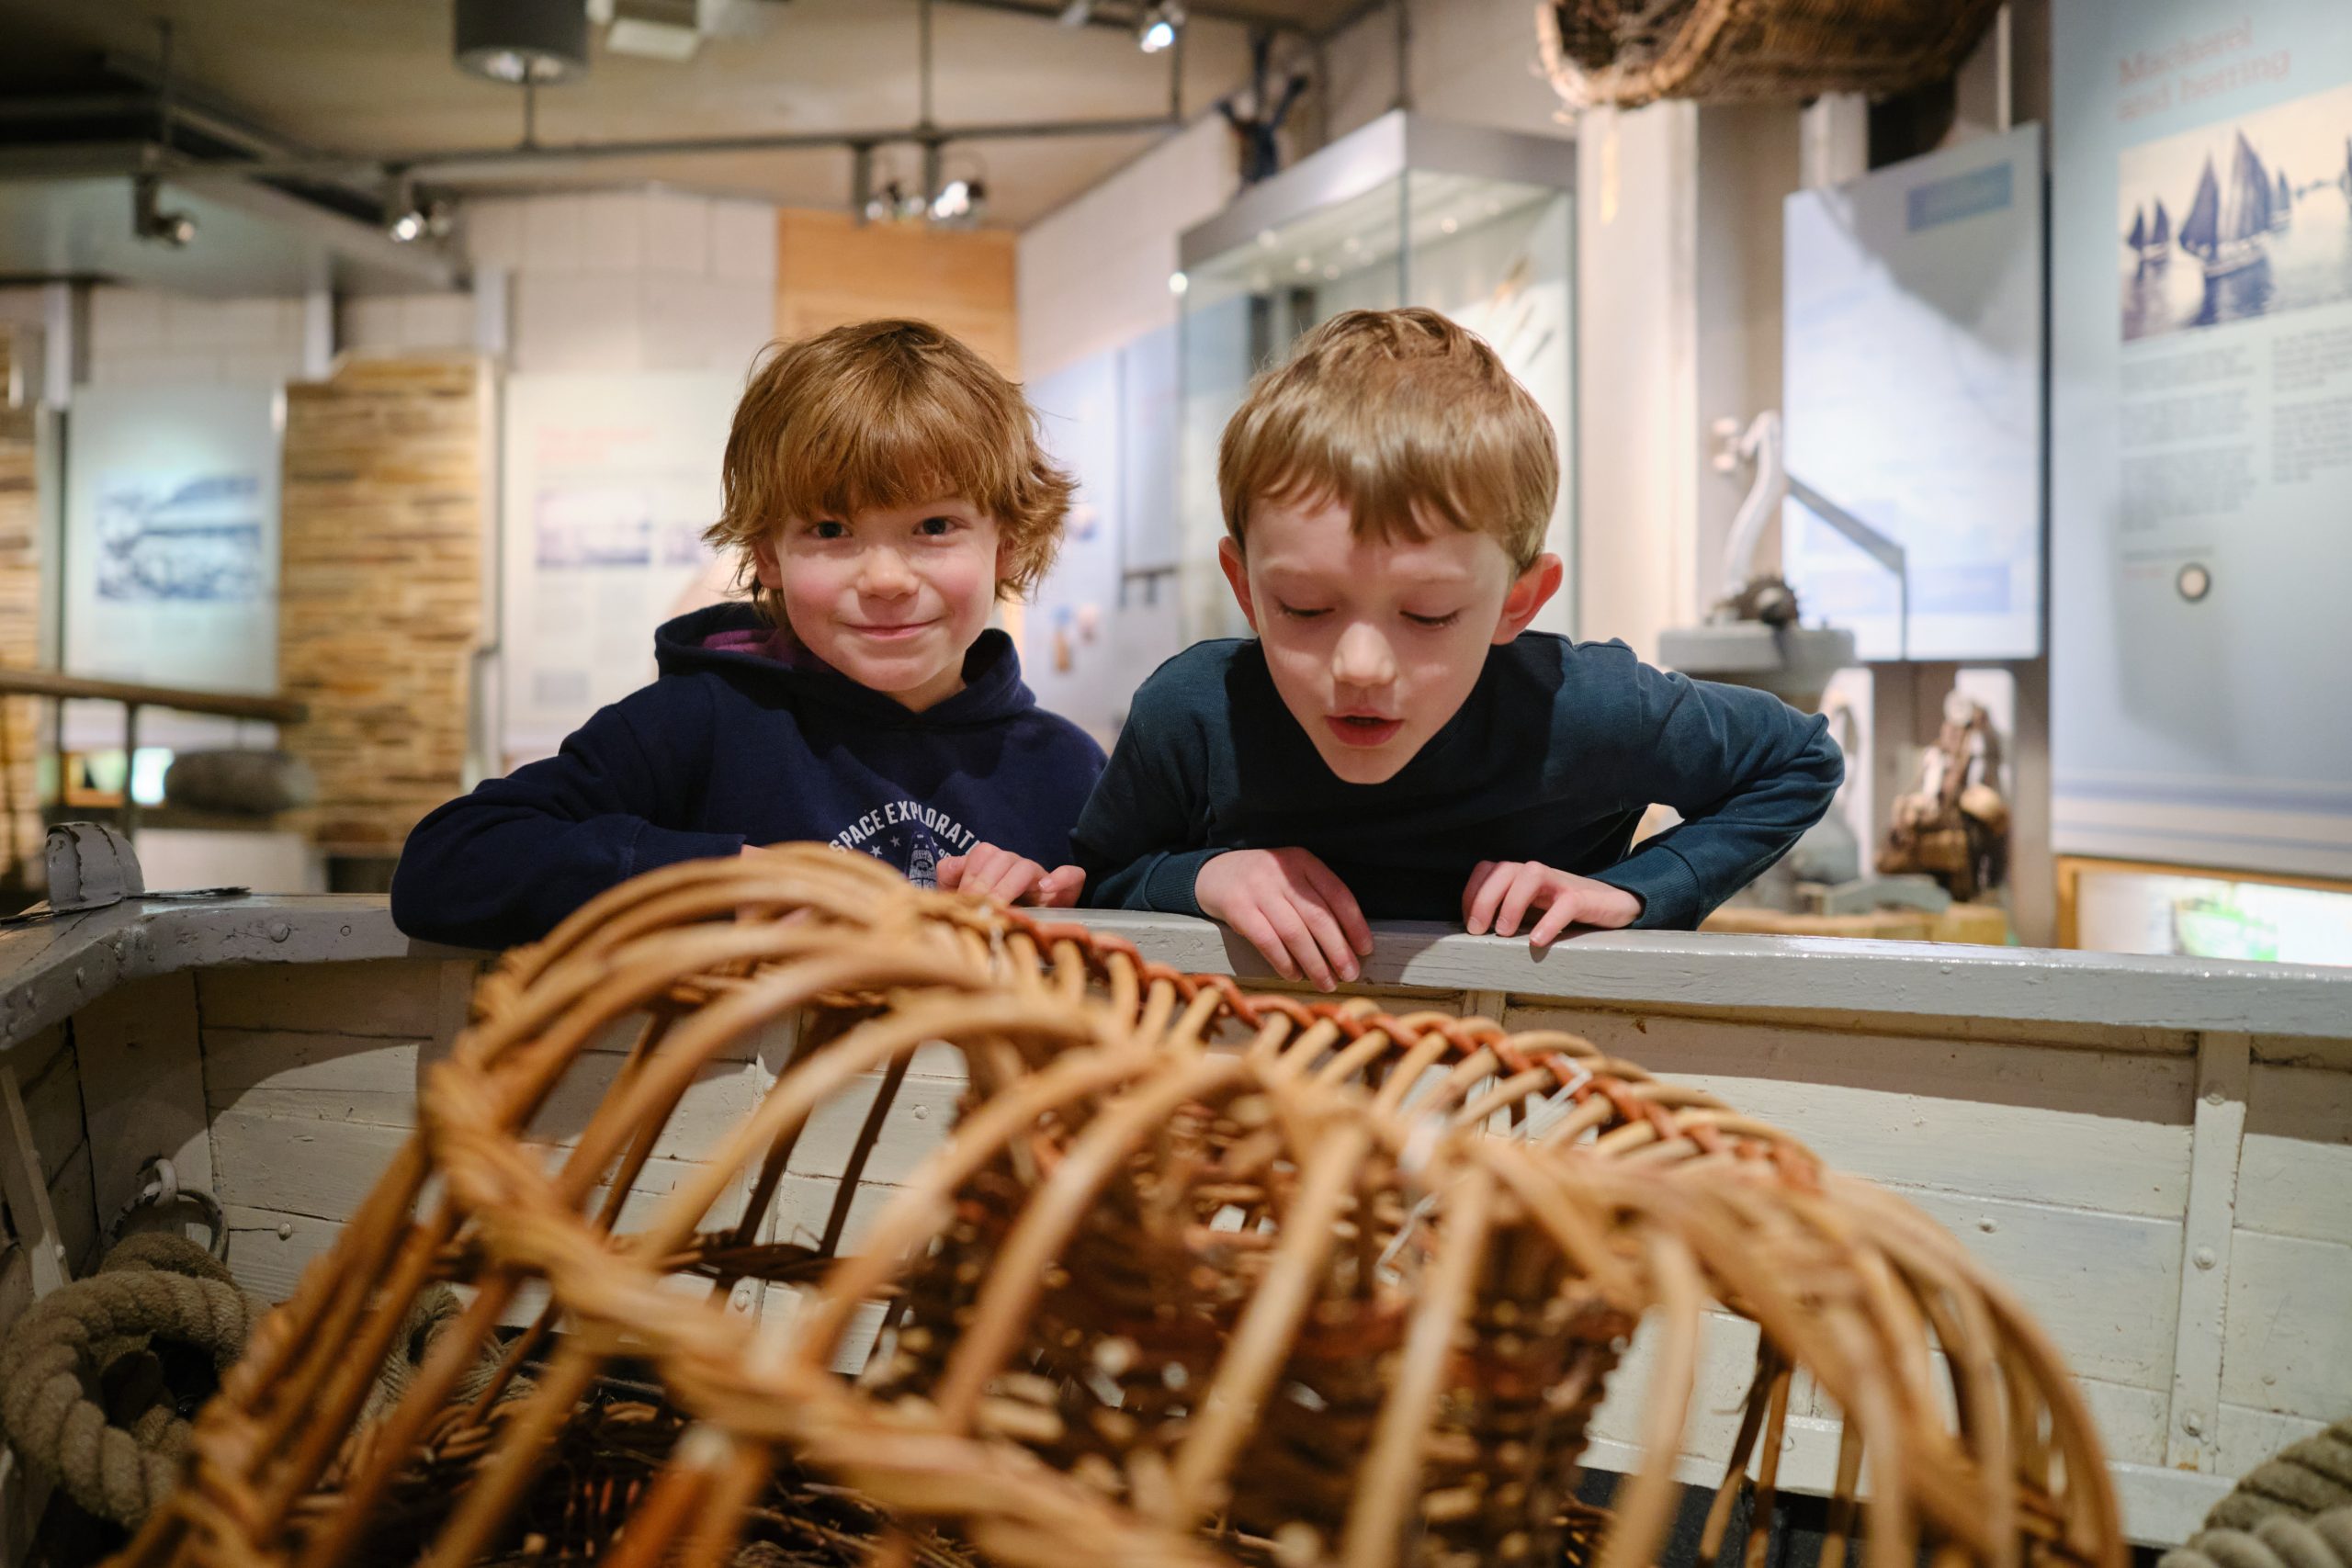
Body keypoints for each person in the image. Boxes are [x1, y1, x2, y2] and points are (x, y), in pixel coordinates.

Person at [1072, 307, 1842, 988]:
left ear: (1519, 601)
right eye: (1304, 607)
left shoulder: (1590, 707)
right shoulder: (1194, 713)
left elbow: (1799, 759)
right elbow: (1091, 880)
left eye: (1430, 614)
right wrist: (1199, 877)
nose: (1361, 668)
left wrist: (1646, 887)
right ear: (1245, 588)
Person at [391, 319, 1103, 950]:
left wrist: (1054, 909)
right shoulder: (695, 726)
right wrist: (723, 879)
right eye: (831, 530)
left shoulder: (1069, 771)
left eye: (934, 527)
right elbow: (448, 861)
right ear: (768, 555)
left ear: (1006, 543)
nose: (885, 577)